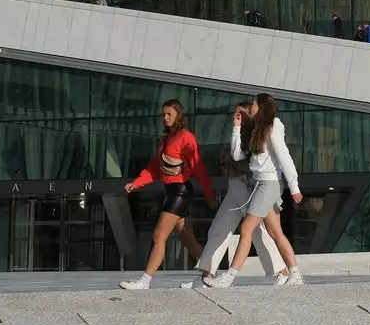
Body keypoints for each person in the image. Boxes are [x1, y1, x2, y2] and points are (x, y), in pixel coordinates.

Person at [185, 100, 293, 288]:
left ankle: (281, 272)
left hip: (248, 186)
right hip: (234, 186)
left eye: (241, 113)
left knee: (257, 232)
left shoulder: (255, 134)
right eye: (235, 114)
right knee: (218, 229)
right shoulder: (239, 131)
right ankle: (205, 275)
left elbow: (250, 161)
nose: (237, 117)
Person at [207, 93, 306, 287]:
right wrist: (236, 128)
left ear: (261, 107)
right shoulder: (256, 129)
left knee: (246, 229)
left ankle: (229, 277)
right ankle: (295, 274)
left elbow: (284, 157)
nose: (250, 107)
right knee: (275, 232)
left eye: (253, 104)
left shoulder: (272, 127)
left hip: (269, 184)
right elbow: (237, 155)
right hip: (260, 183)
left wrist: (294, 186)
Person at [120, 99, 216, 289]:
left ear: (178, 114)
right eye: (163, 114)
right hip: (171, 191)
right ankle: (210, 275)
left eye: (169, 114)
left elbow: (199, 168)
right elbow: (155, 168)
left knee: (159, 235)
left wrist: (210, 196)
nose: (165, 118)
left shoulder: (186, 137)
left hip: (180, 192)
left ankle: (145, 281)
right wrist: (136, 183)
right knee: (188, 239)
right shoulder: (166, 139)